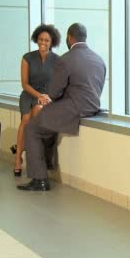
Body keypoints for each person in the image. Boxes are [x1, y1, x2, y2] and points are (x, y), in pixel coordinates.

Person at [17, 23, 106, 191]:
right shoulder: (98, 59)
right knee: (46, 122)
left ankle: (40, 179)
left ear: (70, 37)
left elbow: (54, 91)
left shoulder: (66, 59)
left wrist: (49, 99)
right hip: (93, 106)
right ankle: (47, 164)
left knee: (32, 128)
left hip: (74, 107)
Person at [12, 24, 60, 177]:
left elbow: (58, 83)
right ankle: (18, 158)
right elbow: (24, 83)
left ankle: (24, 151)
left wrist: (48, 97)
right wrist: (38, 95)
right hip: (29, 94)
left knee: (34, 121)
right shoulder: (27, 58)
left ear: (52, 42)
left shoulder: (58, 60)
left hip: (46, 98)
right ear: (36, 39)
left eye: (46, 40)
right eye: (40, 39)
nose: (43, 43)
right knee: (25, 119)